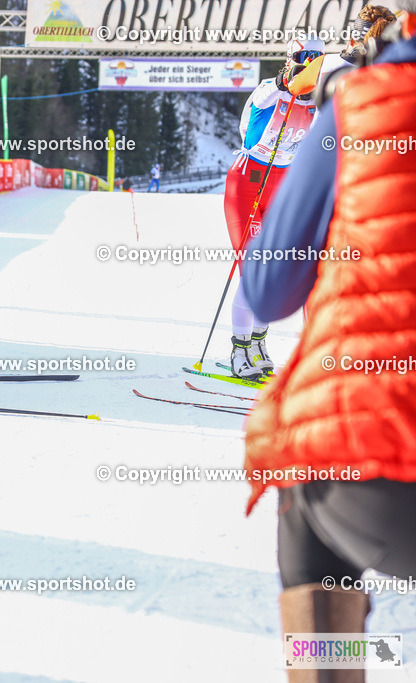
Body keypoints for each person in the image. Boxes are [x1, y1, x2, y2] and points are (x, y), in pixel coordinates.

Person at [242, 7, 416, 680]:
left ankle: (335, 664)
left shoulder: (357, 105)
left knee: (307, 463)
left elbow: (268, 286)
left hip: (364, 482)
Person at [222, 37, 324, 380]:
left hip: (280, 186)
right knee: (253, 269)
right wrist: (286, 81)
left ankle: (258, 344)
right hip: (249, 181)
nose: (308, 65)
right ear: (290, 60)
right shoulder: (270, 89)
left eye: (314, 60)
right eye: (302, 58)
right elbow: (265, 97)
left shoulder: (317, 102)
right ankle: (239, 349)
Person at [284, 6, 397, 101]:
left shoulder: (324, 63)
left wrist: (295, 73)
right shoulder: (402, 72)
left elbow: (294, 88)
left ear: (351, 40)